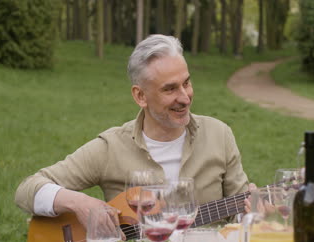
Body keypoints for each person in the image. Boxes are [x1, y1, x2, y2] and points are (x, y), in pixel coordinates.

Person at [15, 34, 250, 229]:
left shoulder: (220, 135)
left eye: (186, 83)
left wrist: (253, 213)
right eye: (170, 89)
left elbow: (242, 213)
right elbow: (27, 190)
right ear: (140, 96)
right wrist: (79, 203)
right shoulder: (111, 147)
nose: (184, 97)